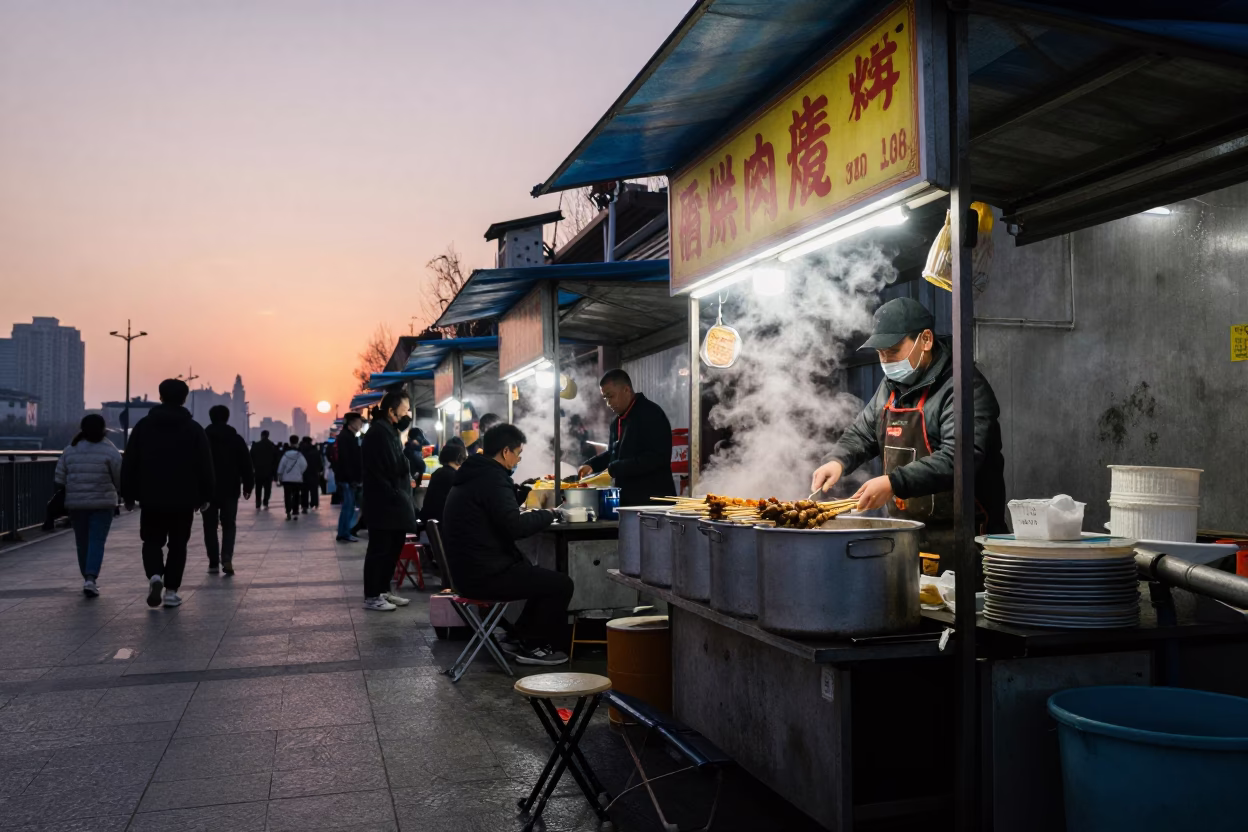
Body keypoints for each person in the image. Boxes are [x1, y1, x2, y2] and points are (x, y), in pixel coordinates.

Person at [810, 298, 1008, 558]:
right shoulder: (892, 384)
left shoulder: (963, 387)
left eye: (892, 351)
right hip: (908, 537)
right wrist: (837, 460)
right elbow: (864, 432)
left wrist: (894, 482)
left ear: (925, 340)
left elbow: (959, 457)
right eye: (880, 353)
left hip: (964, 543)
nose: (885, 361)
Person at [443, 423, 570, 666]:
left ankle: (518, 636)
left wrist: (521, 494)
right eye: (518, 454)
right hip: (484, 575)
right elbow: (516, 527)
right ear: (505, 452)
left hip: (468, 571)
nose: (518, 459)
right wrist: (551, 514)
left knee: (540, 578)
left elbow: (497, 509)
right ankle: (532, 646)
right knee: (560, 585)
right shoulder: (492, 479)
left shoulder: (476, 474)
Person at [120, 378, 215, 608]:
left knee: (152, 540)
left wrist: (128, 494)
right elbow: (205, 464)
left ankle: (155, 576)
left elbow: (130, 461)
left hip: (151, 496)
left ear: (160, 396)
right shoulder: (194, 429)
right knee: (178, 544)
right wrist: (206, 495)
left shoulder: (143, 426)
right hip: (184, 498)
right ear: (184, 399)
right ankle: (171, 591)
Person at [578, 369, 674, 507]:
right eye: (605, 398)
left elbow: (657, 458)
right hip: (627, 503)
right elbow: (614, 454)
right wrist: (592, 465)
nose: (608, 403)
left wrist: (615, 468)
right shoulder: (617, 421)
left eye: (611, 396)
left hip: (655, 503)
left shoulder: (651, 414)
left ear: (626, 390)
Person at [361, 390, 418, 611]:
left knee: (393, 548)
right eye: (405, 411)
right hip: (384, 502)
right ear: (391, 411)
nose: (408, 415)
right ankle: (372, 596)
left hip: (395, 501)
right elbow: (388, 468)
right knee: (380, 549)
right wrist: (395, 491)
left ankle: (383, 590)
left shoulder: (391, 431)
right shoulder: (378, 433)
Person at [54, 414, 122, 597]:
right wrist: (123, 495)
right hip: (103, 502)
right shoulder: (110, 450)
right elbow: (119, 477)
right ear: (103, 429)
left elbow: (59, 478)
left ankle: (87, 577)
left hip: (76, 504)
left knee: (82, 542)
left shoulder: (70, 449)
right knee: (97, 541)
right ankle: (91, 579)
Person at [204, 405, 254, 576]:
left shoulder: (203, 438)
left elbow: (194, 464)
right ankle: (227, 558)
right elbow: (246, 465)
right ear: (227, 417)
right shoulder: (236, 439)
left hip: (207, 490)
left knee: (209, 526)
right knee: (229, 525)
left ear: (210, 417)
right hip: (230, 489)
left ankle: (212, 561)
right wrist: (248, 486)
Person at [421, 441, 466, 527]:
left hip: (432, 524)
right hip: (447, 526)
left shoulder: (437, 473)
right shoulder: (455, 477)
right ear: (459, 458)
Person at [335, 412, 364, 543]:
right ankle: (344, 533)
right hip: (347, 479)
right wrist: (352, 479)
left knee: (349, 506)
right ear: (351, 423)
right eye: (359, 422)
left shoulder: (348, 436)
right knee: (348, 506)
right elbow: (347, 461)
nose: (361, 425)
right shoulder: (346, 438)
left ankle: (343, 532)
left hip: (347, 478)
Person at [276, 436, 308, 520]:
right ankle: (295, 512)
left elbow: (281, 467)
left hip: (286, 479)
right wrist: (300, 472)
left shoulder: (285, 455)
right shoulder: (300, 455)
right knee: (296, 496)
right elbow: (304, 465)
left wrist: (280, 475)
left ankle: (288, 512)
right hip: (297, 479)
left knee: (287, 496)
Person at [250, 430, 278, 509]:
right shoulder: (272, 446)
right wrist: (275, 474)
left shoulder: (255, 445)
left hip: (258, 470)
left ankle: (258, 502)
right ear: (268, 435)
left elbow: (250, 458)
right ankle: (266, 501)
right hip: (269, 471)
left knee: (258, 488)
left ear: (261, 435)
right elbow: (276, 461)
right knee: (267, 488)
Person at [299, 436, 323, 512]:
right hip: (313, 473)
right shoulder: (315, 451)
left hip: (303, 474)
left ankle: (304, 505)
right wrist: (320, 470)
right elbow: (319, 463)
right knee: (314, 490)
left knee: (304, 491)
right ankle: (314, 503)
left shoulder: (301, 451)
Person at [404, 430, 427, 498]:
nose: (421, 442)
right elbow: (422, 466)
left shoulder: (409, 449)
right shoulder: (412, 451)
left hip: (411, 482)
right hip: (412, 482)